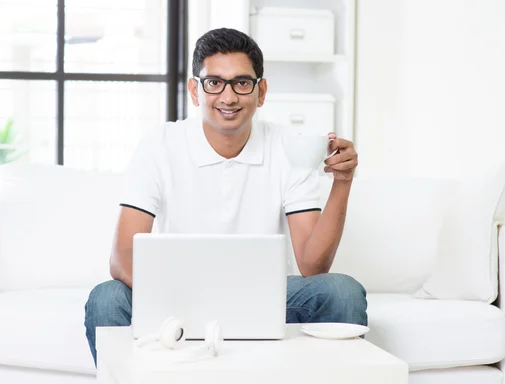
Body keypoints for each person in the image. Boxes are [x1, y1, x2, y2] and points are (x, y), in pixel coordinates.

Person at [84, 27, 367, 365]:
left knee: (341, 290)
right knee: (106, 298)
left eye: (241, 83)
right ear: (195, 90)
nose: (228, 97)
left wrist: (343, 180)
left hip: (260, 296)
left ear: (261, 92)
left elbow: (313, 264)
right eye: (214, 82)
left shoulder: (287, 147)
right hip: (178, 298)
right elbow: (122, 259)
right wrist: (188, 298)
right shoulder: (159, 144)